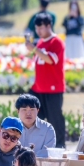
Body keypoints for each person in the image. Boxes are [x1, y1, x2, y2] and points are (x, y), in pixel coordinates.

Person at [26, 12, 66, 149]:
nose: (38, 31)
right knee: (33, 118)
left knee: (55, 119)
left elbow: (50, 59)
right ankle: (35, 145)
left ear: (49, 26)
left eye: (41, 28)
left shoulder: (56, 42)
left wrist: (34, 49)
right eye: (37, 28)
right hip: (39, 88)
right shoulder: (41, 42)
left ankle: (59, 146)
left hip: (53, 88)